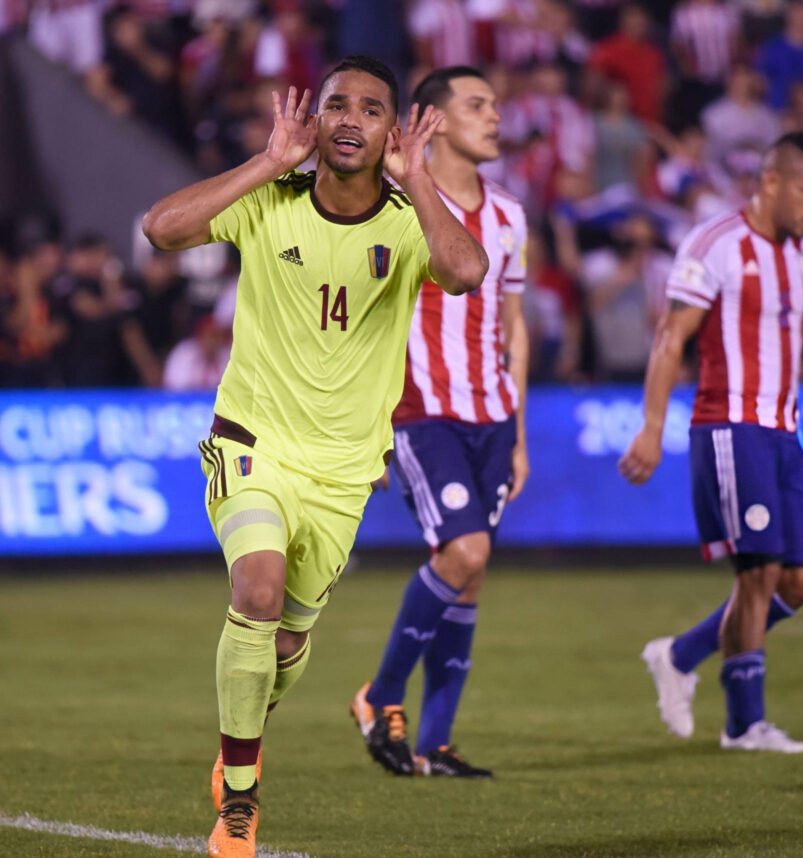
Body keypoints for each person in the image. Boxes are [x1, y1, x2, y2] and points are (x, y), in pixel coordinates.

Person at [141, 56, 487, 857]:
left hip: (342, 472)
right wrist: (267, 160)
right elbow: (161, 228)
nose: (350, 119)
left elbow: (466, 272)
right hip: (252, 444)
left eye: (371, 109)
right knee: (255, 592)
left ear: (391, 130)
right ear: (314, 119)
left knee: (285, 645)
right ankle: (241, 800)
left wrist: (420, 179)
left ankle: (237, 740)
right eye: (337, 104)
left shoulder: (405, 224)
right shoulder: (268, 201)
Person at [619, 132, 803, 753]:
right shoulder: (715, 244)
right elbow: (672, 337)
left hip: (783, 429)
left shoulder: (798, 252)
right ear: (771, 182)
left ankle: (681, 654)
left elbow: (787, 324)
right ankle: (745, 724)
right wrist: (650, 425)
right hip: (730, 427)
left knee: (799, 583)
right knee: (759, 573)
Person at [350, 65, 528, 779]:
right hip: (424, 410)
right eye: (478, 104)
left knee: (471, 574)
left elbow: (514, 325)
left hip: (494, 414)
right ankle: (378, 694)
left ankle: (436, 741)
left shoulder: (510, 215)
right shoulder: (391, 205)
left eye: (496, 103)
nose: (494, 116)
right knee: (466, 555)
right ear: (435, 119)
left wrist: (520, 429)